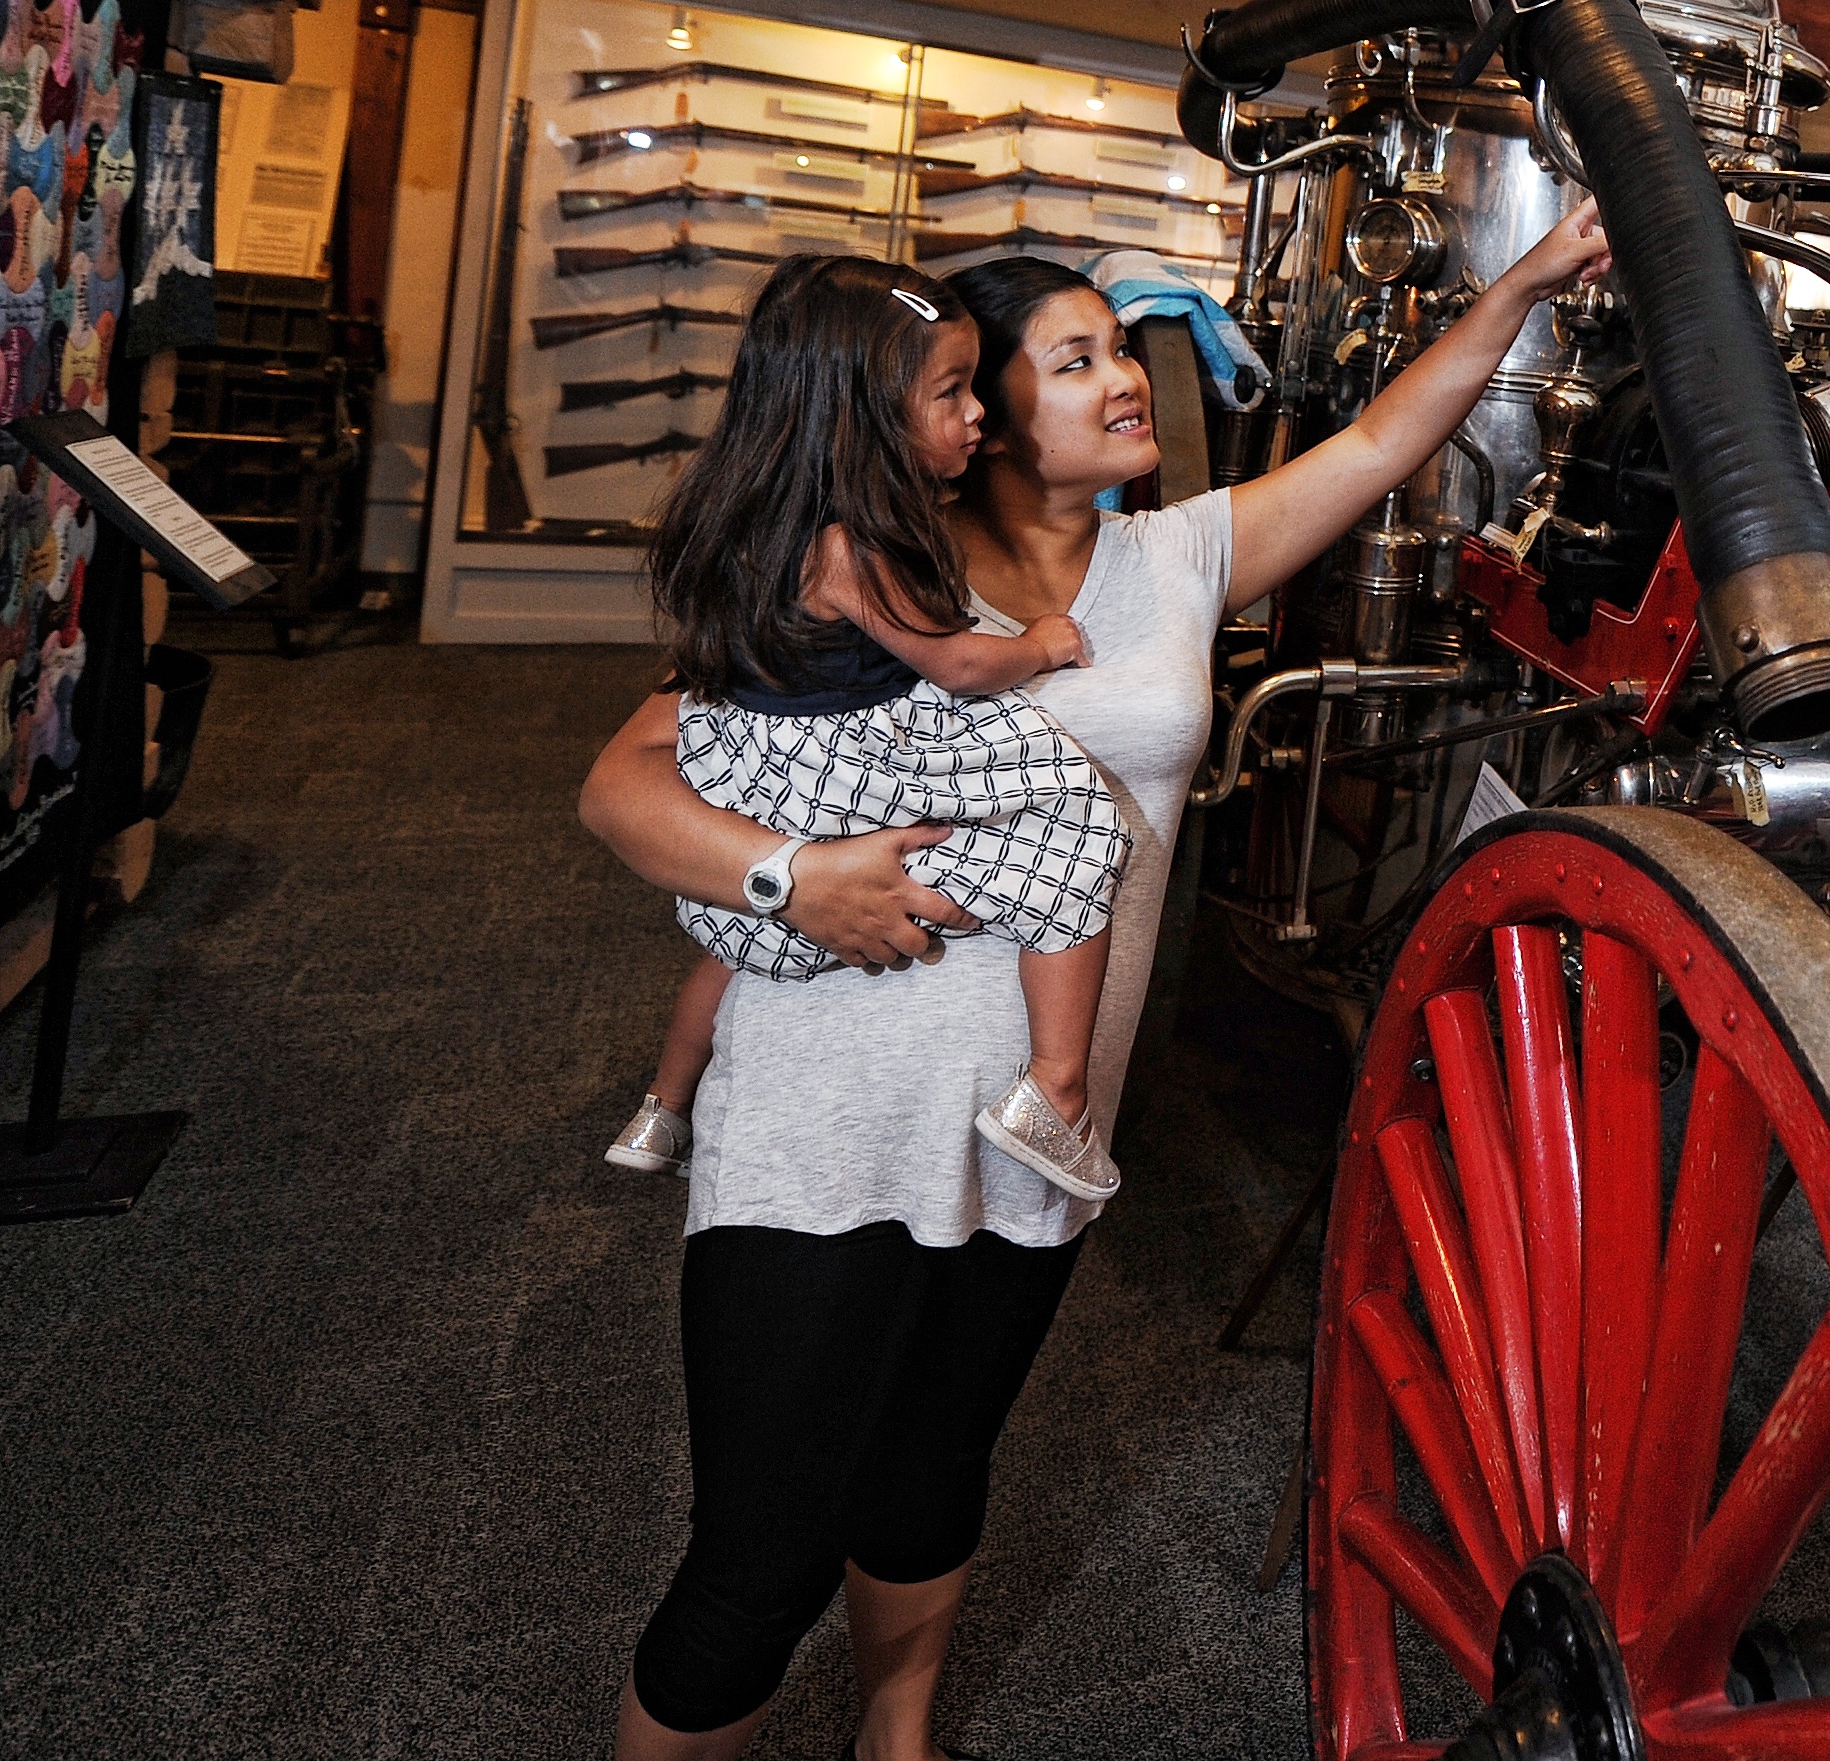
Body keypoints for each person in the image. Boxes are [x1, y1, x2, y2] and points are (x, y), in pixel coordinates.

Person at [578, 196, 1607, 1761]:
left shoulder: (1177, 557)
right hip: (828, 1120)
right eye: (1076, 360)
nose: (1129, 378)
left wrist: (1523, 280)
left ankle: (899, 1732)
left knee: (936, 1466)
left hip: (1035, 1127)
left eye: (1121, 348)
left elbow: (1388, 444)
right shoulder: (874, 566)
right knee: (754, 1566)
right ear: (980, 412)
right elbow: (628, 784)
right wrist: (795, 876)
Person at [606, 257, 1131, 1201]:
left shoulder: (752, 522)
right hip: (851, 754)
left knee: (724, 951)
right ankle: (1056, 1090)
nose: (979, 413)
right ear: (864, 415)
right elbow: (959, 664)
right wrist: (1042, 644)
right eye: (951, 391)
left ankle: (662, 1106)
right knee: (1077, 830)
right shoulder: (850, 544)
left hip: (758, 764)